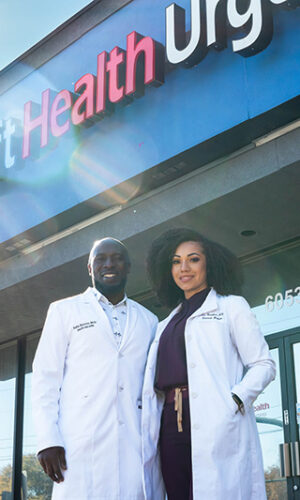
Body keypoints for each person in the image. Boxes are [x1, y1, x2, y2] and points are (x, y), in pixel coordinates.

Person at [141, 228, 276, 500]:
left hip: (216, 418)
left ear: (208, 263)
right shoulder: (165, 324)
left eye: (193, 259)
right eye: (176, 261)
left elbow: (264, 364)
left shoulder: (231, 307)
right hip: (170, 424)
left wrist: (235, 399)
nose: (184, 268)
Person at [32, 237, 158, 500]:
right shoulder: (64, 311)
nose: (109, 264)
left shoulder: (149, 320)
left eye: (117, 258)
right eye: (100, 259)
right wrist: (48, 439)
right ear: (90, 268)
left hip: (133, 444)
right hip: (78, 443)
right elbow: (45, 378)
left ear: (128, 266)